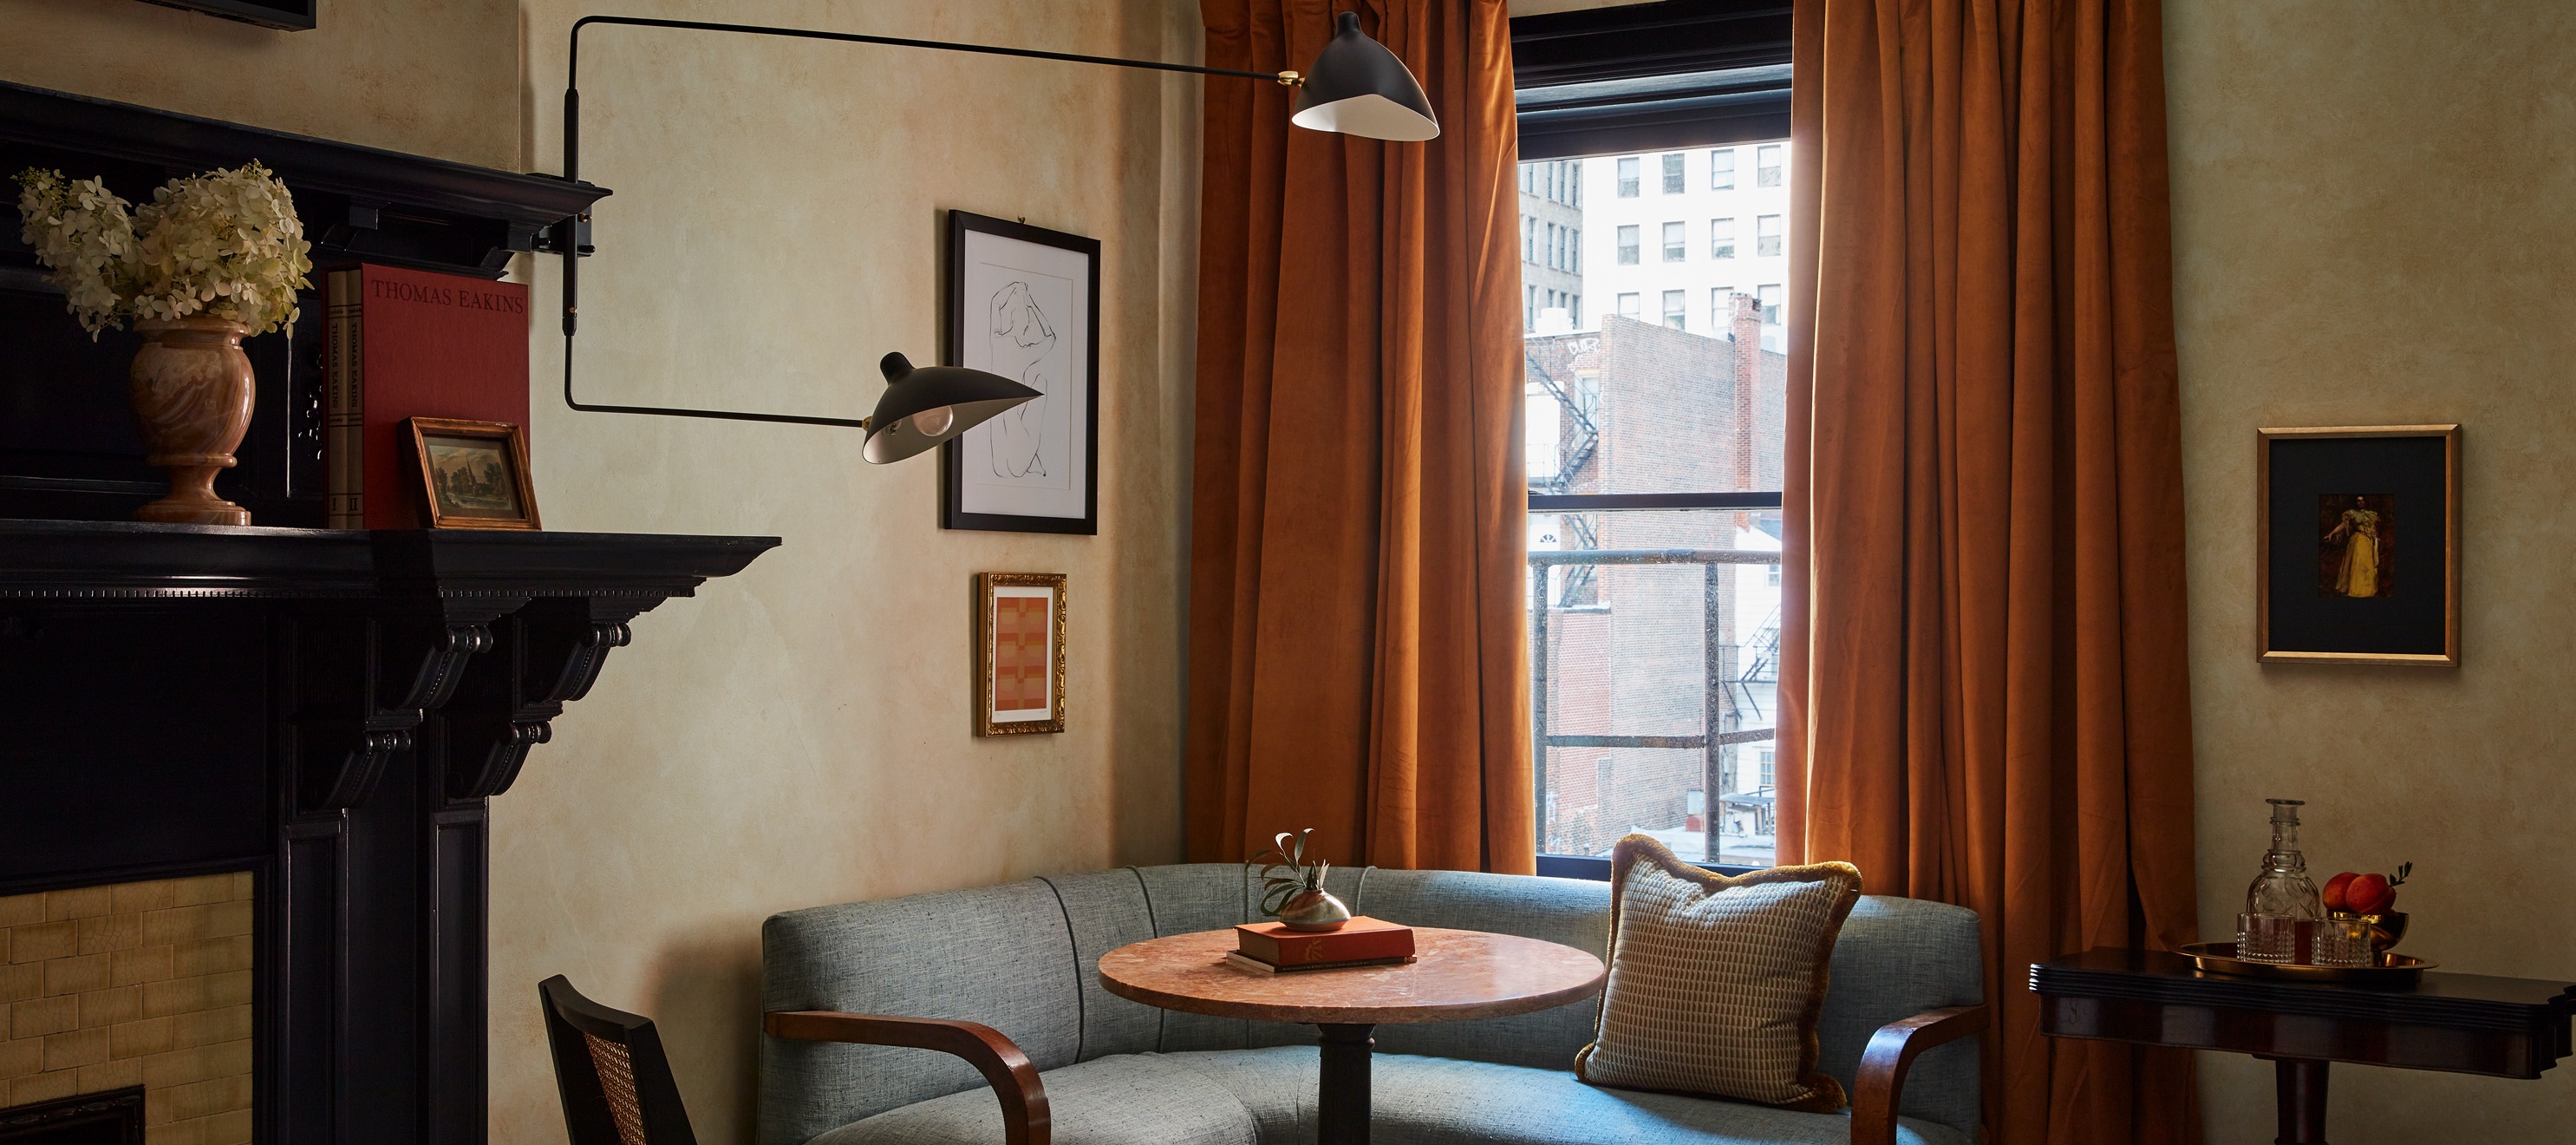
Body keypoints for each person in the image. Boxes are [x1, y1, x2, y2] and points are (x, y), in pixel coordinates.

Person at [2325, 503, 2383, 597]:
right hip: (2358, 540)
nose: (2361, 502)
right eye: (2358, 500)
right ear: (2356, 502)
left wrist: (2373, 533)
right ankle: (2356, 590)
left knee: (2367, 566)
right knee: (2357, 564)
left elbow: (2372, 528)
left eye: (2362, 500)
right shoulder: (2352, 513)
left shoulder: (2369, 514)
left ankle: (2367, 590)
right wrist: (2332, 533)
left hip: (2368, 541)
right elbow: (2343, 525)